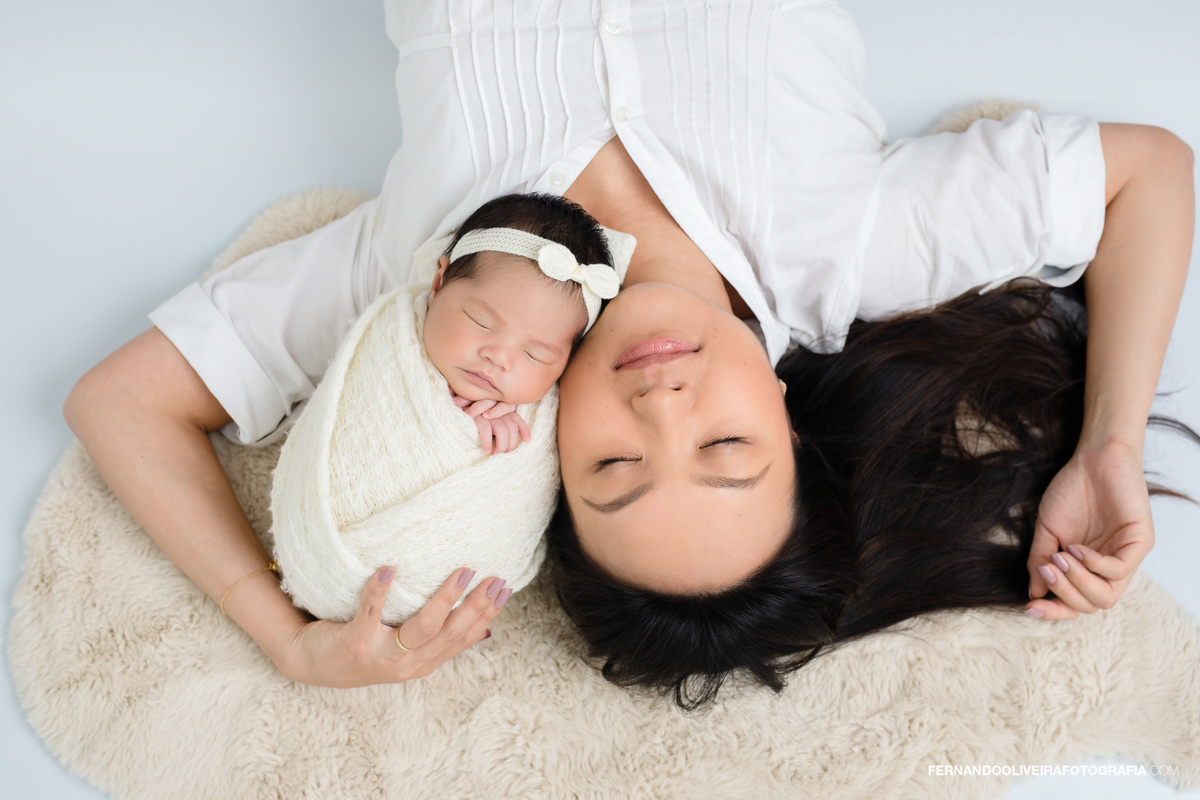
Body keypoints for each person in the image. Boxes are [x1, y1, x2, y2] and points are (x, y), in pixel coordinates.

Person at [63, 1, 1193, 695]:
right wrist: (1106, 439)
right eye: (728, 445)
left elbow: (120, 403)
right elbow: (1154, 173)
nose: (663, 401)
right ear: (792, 422)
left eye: (615, 468)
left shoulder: (434, 299)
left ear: (549, 474)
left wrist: (287, 637)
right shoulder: (849, 251)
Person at [269, 192, 620, 632]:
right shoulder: (395, 337)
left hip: (430, 600)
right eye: (481, 322)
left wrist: (502, 434)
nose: (499, 358)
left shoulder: (542, 409)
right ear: (437, 285)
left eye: (536, 354)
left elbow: (522, 485)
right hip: (322, 545)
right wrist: (453, 417)